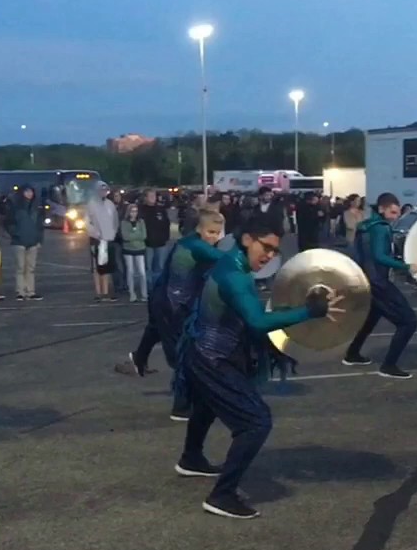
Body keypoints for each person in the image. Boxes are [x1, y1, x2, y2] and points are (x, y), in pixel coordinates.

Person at [177, 216, 342, 519]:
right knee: (256, 422)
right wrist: (309, 311)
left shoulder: (234, 264)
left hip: (201, 352)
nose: (269, 256)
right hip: (212, 358)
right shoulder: (235, 276)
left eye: (275, 251)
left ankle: (190, 458)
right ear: (246, 240)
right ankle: (222, 495)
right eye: (265, 247)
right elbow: (257, 321)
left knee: (206, 405)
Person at [122, 209, 225, 421]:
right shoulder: (198, 246)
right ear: (200, 228)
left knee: (155, 330)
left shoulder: (189, 242)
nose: (214, 237)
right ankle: (181, 407)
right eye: (211, 232)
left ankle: (139, 358)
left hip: (162, 298)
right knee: (183, 357)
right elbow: (224, 260)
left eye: (217, 233)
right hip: (172, 305)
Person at [342, 193, 417, 379]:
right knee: (409, 322)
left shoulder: (365, 226)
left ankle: (352, 354)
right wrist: (405, 266)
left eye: (397, 213)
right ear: (381, 209)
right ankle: (389, 365)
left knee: (372, 317)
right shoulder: (380, 228)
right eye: (393, 212)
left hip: (366, 279)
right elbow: (379, 256)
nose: (396, 216)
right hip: (378, 282)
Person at [6, 185, 44, 301]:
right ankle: (20, 291)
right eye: (27, 191)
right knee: (20, 268)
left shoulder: (37, 208)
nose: (29, 194)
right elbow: (9, 223)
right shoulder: (15, 207)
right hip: (19, 241)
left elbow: (40, 226)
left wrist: (39, 239)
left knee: (31, 268)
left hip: (33, 241)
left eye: (31, 191)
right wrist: (15, 233)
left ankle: (30, 291)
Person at [120, 202, 148, 302]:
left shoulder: (141, 222)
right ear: (128, 212)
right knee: (130, 272)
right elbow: (125, 237)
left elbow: (144, 235)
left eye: (135, 211)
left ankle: (144, 294)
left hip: (140, 249)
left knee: (142, 272)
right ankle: (132, 293)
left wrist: (133, 237)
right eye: (132, 211)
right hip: (128, 250)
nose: (134, 213)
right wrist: (137, 236)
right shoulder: (124, 222)